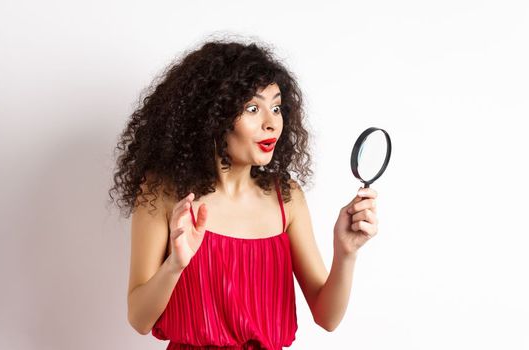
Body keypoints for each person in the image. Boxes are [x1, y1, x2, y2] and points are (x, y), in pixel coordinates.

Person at [109, 38, 379, 349]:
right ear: (213, 116)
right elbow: (139, 319)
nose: (272, 123)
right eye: (253, 108)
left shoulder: (286, 198)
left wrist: (346, 252)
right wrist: (175, 265)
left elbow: (327, 317)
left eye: (276, 107)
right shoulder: (164, 193)